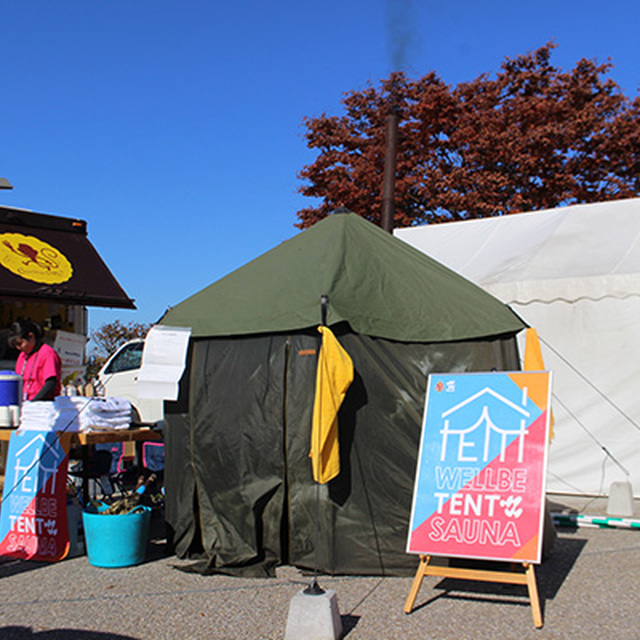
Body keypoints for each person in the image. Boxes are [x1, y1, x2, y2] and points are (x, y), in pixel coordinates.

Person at [8, 319, 62, 401]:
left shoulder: (47, 353)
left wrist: (34, 402)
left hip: (44, 404)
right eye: (16, 345)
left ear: (31, 336)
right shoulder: (22, 355)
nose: (18, 348)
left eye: (20, 344)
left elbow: (51, 383)